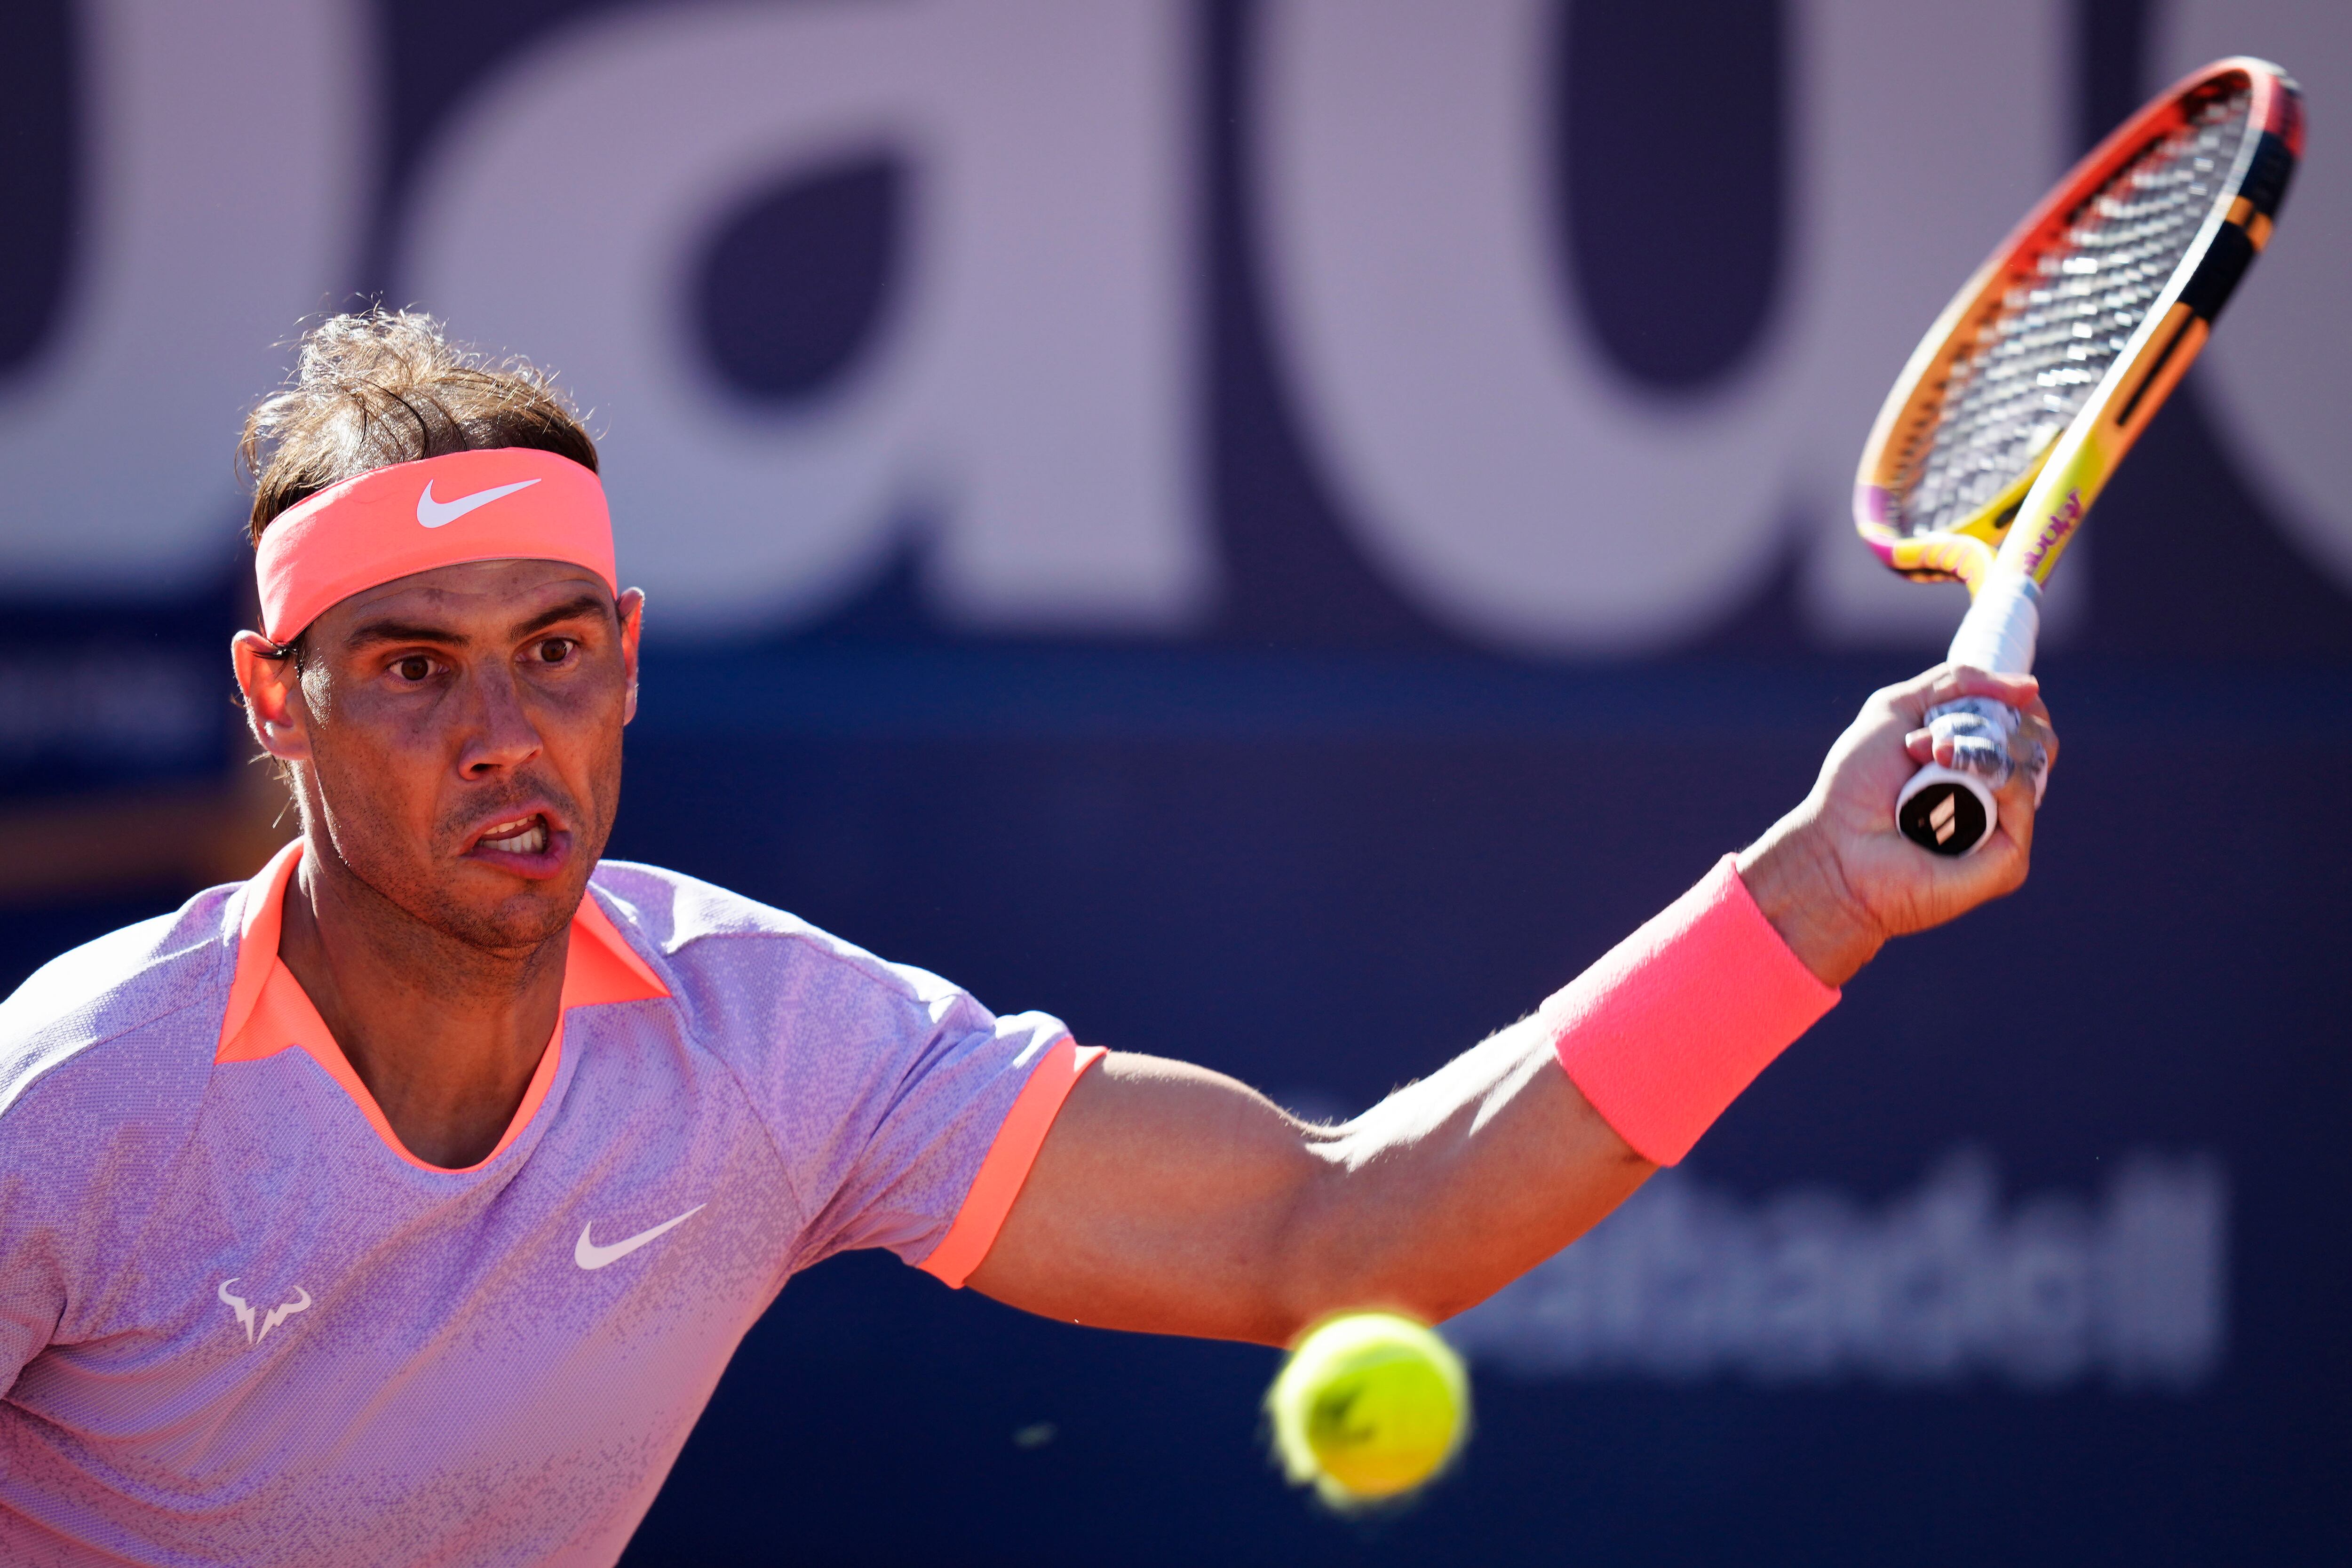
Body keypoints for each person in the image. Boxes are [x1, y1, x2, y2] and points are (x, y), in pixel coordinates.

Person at [0, 311, 2053, 1566]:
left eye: (550, 654)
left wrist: (1823, 886)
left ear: (627, 665)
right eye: (414, 670)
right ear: (281, 702)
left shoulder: (770, 1051)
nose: (502, 732)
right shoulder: (77, 1099)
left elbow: (1341, 1238)